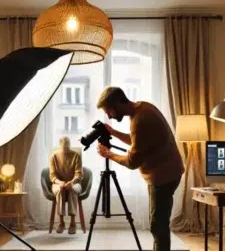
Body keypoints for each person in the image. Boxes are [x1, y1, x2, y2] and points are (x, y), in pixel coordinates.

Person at [95, 87, 184, 251]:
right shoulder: (142, 108)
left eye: (109, 111)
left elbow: (131, 162)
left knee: (158, 226)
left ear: (117, 104)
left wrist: (109, 154)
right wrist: (114, 132)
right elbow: (138, 141)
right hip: (170, 171)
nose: (109, 116)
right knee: (160, 224)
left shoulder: (140, 120)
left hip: (163, 176)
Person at [49, 136, 83, 234]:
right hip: (58, 183)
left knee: (71, 189)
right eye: (64, 145)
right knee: (60, 190)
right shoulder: (54, 157)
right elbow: (52, 176)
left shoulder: (76, 155)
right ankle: (61, 223)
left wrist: (71, 182)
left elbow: (79, 174)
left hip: (75, 183)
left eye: (67, 144)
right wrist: (60, 183)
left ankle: (73, 223)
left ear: (70, 144)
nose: (66, 146)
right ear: (60, 145)